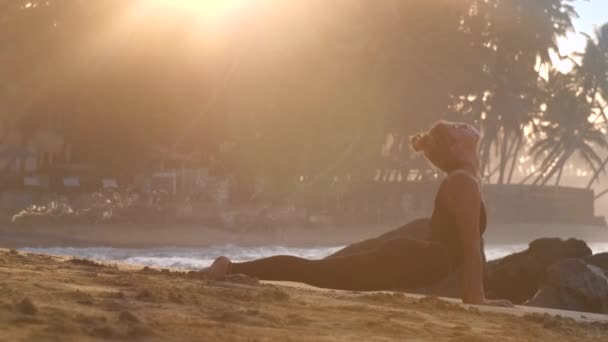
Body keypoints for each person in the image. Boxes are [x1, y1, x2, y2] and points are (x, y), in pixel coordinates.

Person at [202, 121, 512, 306]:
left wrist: (476, 298)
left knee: (319, 274)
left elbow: (469, 249)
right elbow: (471, 250)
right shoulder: (463, 183)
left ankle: (232, 268)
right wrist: (477, 301)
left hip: (418, 261)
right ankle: (229, 267)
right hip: (416, 261)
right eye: (458, 127)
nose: (465, 124)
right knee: (317, 274)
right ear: (457, 146)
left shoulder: (465, 180)